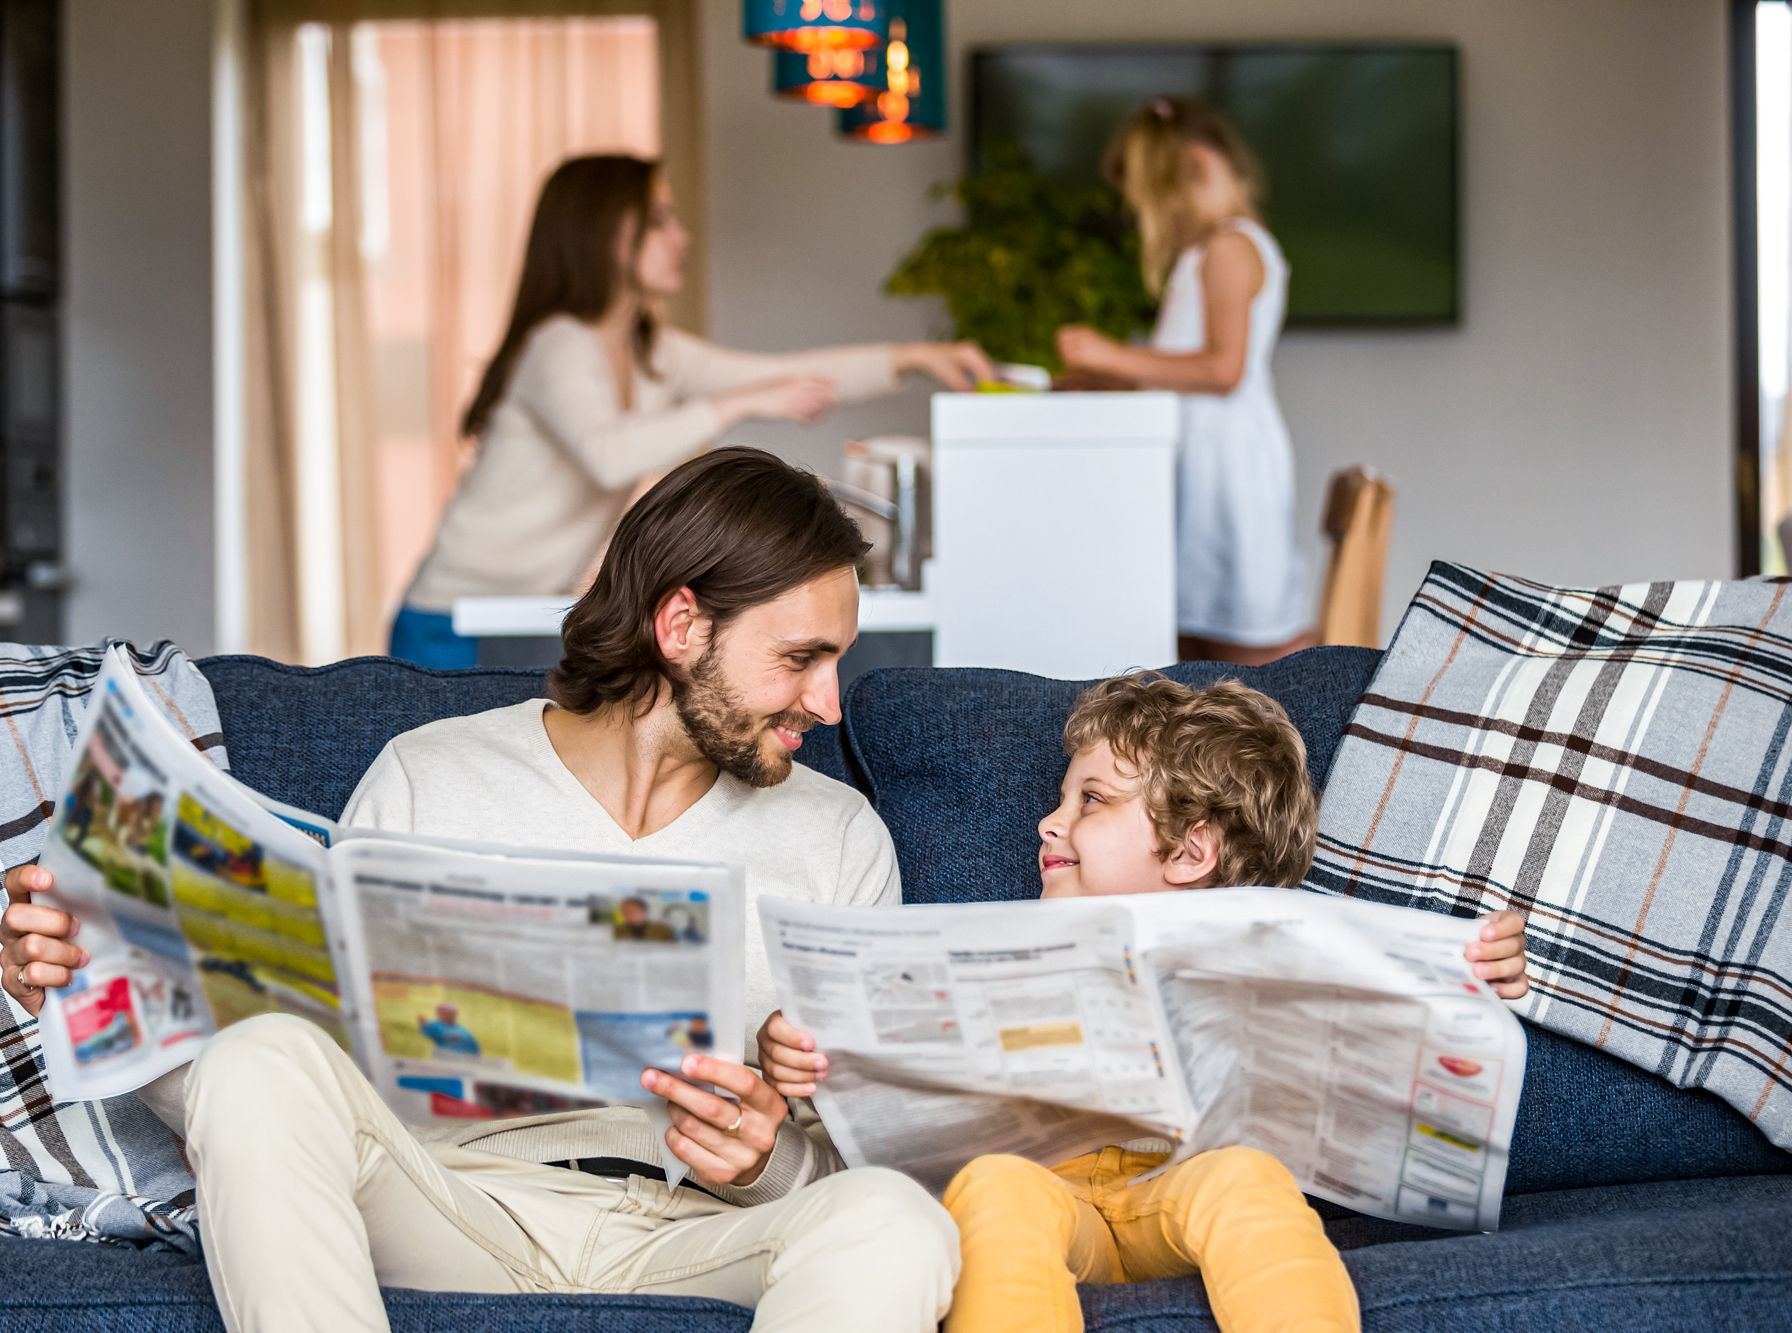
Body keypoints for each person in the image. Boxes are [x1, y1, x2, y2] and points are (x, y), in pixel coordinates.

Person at [0, 448, 960, 1333]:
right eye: (801, 658)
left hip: (694, 1235)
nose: (828, 704)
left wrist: (765, 1157)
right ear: (680, 625)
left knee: (894, 1218)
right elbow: (285, 1087)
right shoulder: (432, 775)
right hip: (453, 1206)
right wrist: (91, 977)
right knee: (262, 1055)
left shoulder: (838, 837)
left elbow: (857, 1168)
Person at [758, 673, 1532, 1333]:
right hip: (1058, 1195)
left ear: (1192, 851)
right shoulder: (994, 939)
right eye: (1062, 796)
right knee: (993, 1184)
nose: (1049, 820)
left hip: (1176, 1188)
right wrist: (816, 1052)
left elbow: (1383, 1053)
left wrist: (1467, 979)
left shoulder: (1277, 949)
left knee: (1246, 1177)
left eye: (1090, 799)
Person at [391, 153, 994, 667]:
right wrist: (731, 404)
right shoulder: (560, 343)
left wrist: (914, 357)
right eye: (658, 221)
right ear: (603, 235)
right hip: (451, 621)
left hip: (515, 616)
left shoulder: (652, 353)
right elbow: (608, 454)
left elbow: (787, 375)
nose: (681, 236)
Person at [1053, 98, 1308, 666]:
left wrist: (1112, 354)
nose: (1153, 213)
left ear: (1194, 166)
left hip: (1228, 471)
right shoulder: (1206, 253)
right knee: (1195, 648)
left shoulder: (1229, 248)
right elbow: (1184, 370)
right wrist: (1110, 380)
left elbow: (1223, 369)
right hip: (1206, 463)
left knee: (1239, 655)